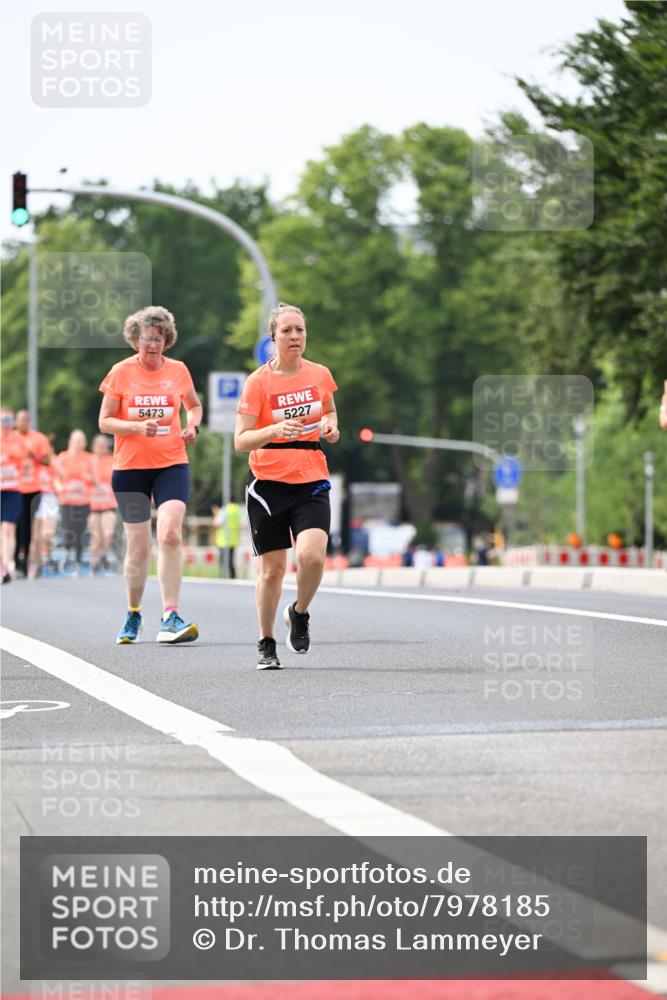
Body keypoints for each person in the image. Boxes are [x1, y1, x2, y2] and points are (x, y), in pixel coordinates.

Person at [235, 301, 340, 670]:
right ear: (274, 337)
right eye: (287, 331)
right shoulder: (258, 382)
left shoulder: (319, 375)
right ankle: (266, 642)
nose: (295, 336)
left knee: (312, 556)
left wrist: (330, 426)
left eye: (300, 330)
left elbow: (328, 409)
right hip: (267, 485)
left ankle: (299, 612)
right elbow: (241, 440)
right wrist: (274, 430)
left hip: (311, 478)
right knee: (273, 570)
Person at [98, 305, 202, 644]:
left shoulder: (179, 371)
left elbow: (194, 405)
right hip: (129, 470)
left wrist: (192, 425)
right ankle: (133, 613)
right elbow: (105, 421)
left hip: (172, 462)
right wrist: (136, 427)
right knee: (138, 548)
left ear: (167, 341)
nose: (152, 345)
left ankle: (171, 615)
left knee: (170, 533)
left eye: (159, 338)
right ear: (135, 339)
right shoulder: (120, 372)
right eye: (146, 338)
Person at [15, 410, 50, 576]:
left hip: (33, 488)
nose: (22, 423)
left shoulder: (38, 438)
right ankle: (14, 559)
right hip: (14, 487)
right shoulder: (10, 438)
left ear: (29, 421)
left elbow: (47, 460)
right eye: (20, 420)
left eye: (25, 420)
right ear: (16, 422)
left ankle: (25, 560)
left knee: (27, 524)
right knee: (14, 523)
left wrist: (33, 456)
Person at [55, 429, 94, 574]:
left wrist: (89, 478)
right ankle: (66, 551)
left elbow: (96, 480)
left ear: (84, 443)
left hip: (83, 501)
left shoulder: (89, 458)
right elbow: (55, 477)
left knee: (80, 531)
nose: (78, 444)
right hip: (66, 500)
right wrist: (60, 488)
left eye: (81, 441)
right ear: (70, 441)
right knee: (67, 529)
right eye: (76, 441)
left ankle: (77, 561)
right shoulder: (63, 457)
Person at [1, 409, 27, 583]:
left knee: (9, 527)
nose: (6, 424)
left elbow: (23, 460)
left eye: (9, 420)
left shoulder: (18, 439)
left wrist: (8, 457)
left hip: (13, 489)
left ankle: (8, 562)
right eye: (3, 421)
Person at [31, 433, 59, 577]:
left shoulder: (53, 462)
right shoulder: (34, 463)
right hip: (36, 497)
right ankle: (36, 563)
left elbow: (62, 475)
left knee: (47, 533)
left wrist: (53, 458)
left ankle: (48, 555)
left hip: (50, 498)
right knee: (35, 536)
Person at [89, 434, 118, 573]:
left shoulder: (111, 460)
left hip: (109, 504)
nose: (102, 448)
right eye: (99, 445)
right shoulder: (89, 461)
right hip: (93, 505)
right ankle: (94, 563)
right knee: (96, 536)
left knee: (108, 533)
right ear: (94, 447)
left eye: (104, 445)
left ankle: (102, 554)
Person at [213, 493, 242, 578]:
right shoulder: (237, 510)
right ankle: (233, 578)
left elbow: (217, 523)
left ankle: (223, 578)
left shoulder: (225, 510)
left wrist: (216, 514)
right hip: (233, 539)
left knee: (223, 562)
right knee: (231, 562)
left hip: (223, 540)